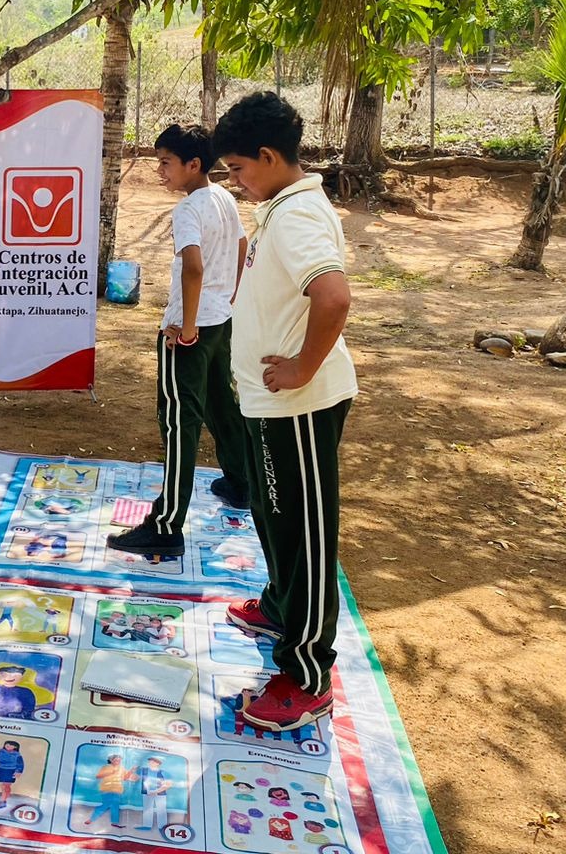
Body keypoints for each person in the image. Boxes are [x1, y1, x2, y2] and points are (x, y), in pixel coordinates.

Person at [213, 92, 357, 732]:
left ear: (270, 157)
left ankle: (307, 672)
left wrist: (300, 367)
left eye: (240, 169)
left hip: (297, 405)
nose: (237, 183)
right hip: (270, 404)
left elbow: (332, 296)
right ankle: (280, 604)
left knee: (304, 531)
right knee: (276, 517)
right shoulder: (282, 205)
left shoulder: (298, 216)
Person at [108, 124, 253, 560]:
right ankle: (240, 482)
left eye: (166, 162)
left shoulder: (189, 209)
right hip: (219, 321)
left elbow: (193, 267)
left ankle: (166, 524)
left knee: (178, 422)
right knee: (220, 403)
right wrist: (229, 297)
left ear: (194, 165)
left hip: (190, 330)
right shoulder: (225, 198)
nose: (160, 171)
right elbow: (244, 244)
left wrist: (187, 327)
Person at [87, 753, 128, 828]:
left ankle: (114, 822)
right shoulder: (106, 767)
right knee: (106, 804)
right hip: (106, 789)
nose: (118, 761)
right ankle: (91, 819)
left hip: (117, 789)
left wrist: (131, 771)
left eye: (119, 760)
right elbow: (98, 776)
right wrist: (110, 772)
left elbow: (125, 778)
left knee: (115, 806)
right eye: (116, 759)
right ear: (111, 760)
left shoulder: (122, 768)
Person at [138, 756, 173, 832]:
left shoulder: (164, 773)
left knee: (161, 810)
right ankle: (146, 826)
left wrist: (155, 791)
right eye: (150, 761)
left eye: (153, 761)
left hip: (160, 794)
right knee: (147, 809)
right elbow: (135, 777)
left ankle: (163, 827)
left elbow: (169, 784)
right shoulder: (143, 770)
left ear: (158, 763)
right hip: (146, 793)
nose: (151, 762)